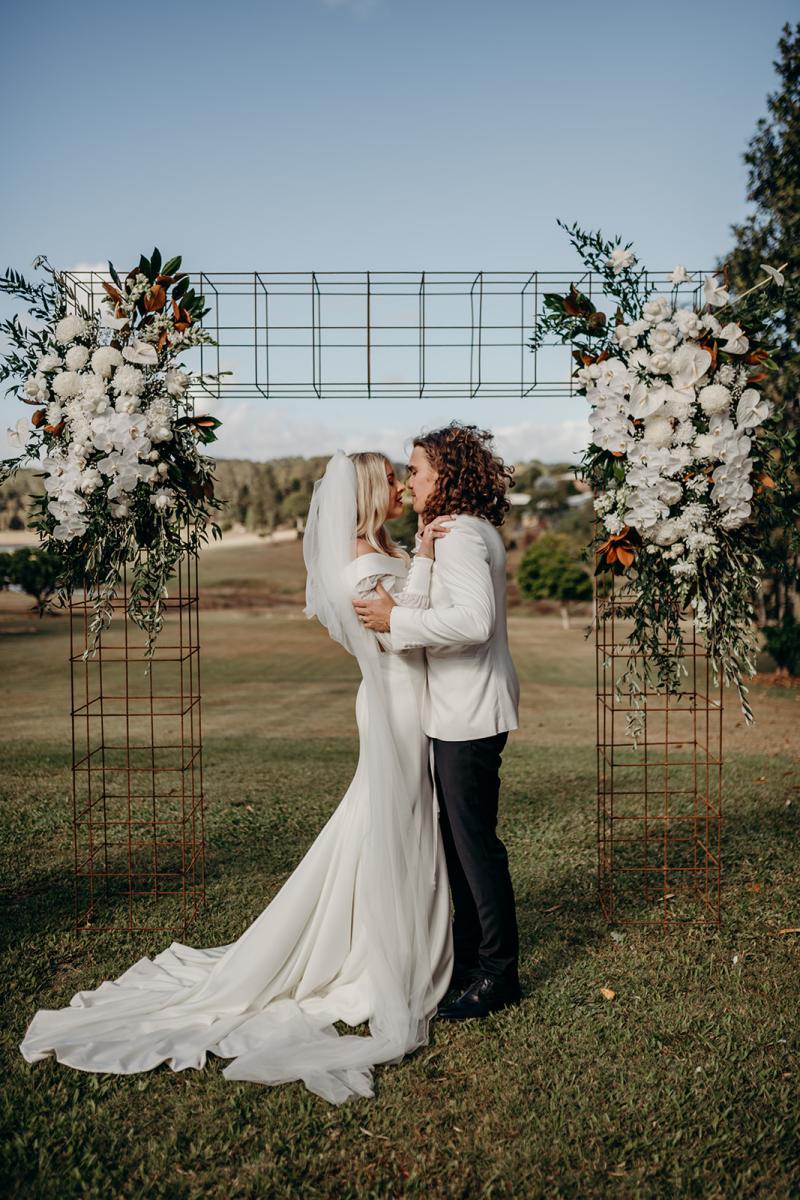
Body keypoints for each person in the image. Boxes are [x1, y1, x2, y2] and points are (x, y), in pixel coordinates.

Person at [19, 450, 455, 1105]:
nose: (399, 486)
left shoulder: (376, 547)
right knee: (387, 825)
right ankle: (381, 951)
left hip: (408, 703)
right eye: (390, 479)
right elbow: (400, 637)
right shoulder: (362, 562)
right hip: (395, 705)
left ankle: (395, 935)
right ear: (367, 491)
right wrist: (424, 564)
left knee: (394, 825)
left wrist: (420, 557)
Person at [353, 421, 522, 1020]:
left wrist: (395, 622)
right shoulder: (449, 535)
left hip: (469, 713)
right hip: (457, 710)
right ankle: (473, 962)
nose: (411, 481)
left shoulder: (462, 536)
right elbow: (433, 609)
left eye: (418, 470)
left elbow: (473, 623)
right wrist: (418, 564)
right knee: (460, 843)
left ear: (445, 474)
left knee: (475, 848)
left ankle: (499, 974)